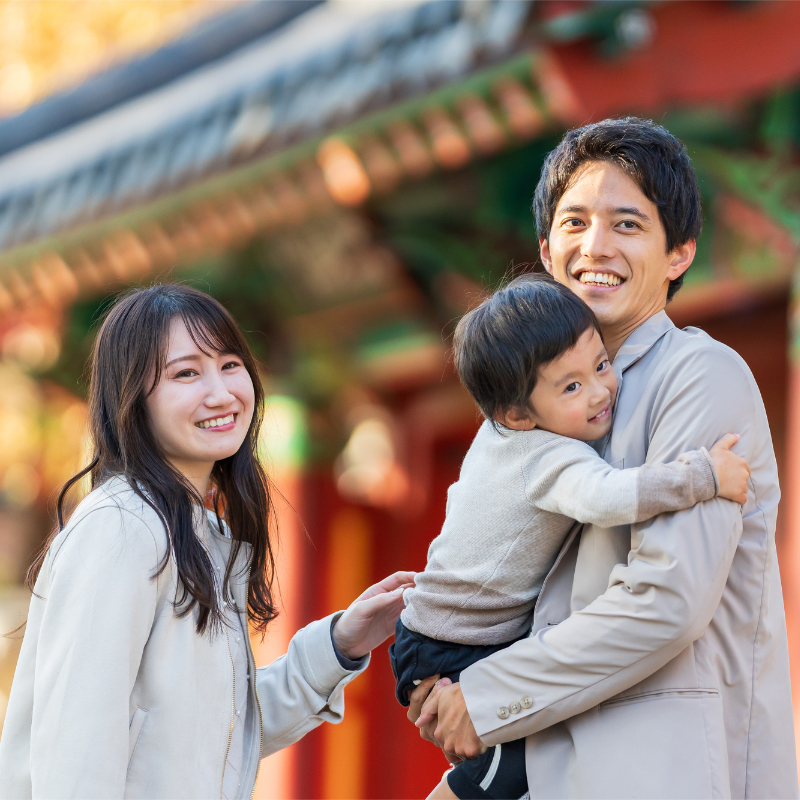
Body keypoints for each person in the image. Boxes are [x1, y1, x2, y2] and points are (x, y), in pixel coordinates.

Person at [410, 118, 799, 799]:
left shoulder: (700, 376)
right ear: (545, 248)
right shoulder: (530, 404)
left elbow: (665, 601)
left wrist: (487, 692)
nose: (595, 246)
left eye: (626, 224)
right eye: (574, 222)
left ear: (678, 253)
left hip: (670, 772)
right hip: (557, 765)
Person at [0, 284, 414, 799]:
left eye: (230, 364)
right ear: (133, 399)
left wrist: (340, 645)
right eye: (186, 373)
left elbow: (219, 731)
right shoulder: (122, 529)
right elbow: (75, 750)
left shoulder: (196, 531)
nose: (220, 393)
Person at [391, 273, 750, 800]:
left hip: (444, 633)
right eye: (572, 387)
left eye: (601, 364)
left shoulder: (503, 434)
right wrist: (703, 477)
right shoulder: (547, 456)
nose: (602, 391)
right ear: (517, 415)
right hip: (454, 643)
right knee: (514, 768)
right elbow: (609, 498)